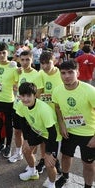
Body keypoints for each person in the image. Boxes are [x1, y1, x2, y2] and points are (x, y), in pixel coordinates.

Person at [52, 60, 95, 188]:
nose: (66, 76)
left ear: (78, 72)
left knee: (88, 164)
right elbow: (58, 108)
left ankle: (88, 186)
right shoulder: (57, 90)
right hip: (69, 132)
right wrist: (62, 125)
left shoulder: (90, 91)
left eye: (70, 72)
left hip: (88, 134)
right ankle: (65, 176)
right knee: (65, 156)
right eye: (63, 73)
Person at [17, 82, 60, 188]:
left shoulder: (44, 110)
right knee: (26, 150)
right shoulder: (21, 105)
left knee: (49, 163)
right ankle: (32, 172)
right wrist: (26, 140)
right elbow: (23, 122)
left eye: (28, 96)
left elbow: (52, 133)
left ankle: (52, 185)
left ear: (35, 95)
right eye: (23, 96)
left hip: (51, 135)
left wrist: (49, 153)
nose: (25, 99)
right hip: (37, 131)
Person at [9, 50, 42, 163]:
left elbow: (38, 95)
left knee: (32, 136)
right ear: (19, 60)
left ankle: (33, 160)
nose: (25, 62)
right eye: (22, 59)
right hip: (17, 108)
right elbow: (15, 86)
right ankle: (18, 153)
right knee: (17, 132)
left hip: (30, 111)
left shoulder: (37, 75)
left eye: (27, 59)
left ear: (32, 60)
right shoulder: (19, 72)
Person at [0, 43, 19, 158]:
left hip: (8, 101)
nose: (1, 55)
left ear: (8, 53)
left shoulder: (13, 66)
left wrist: (18, 69)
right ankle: (1, 143)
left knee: (8, 125)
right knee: (0, 124)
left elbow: (17, 84)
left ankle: (8, 146)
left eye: (4, 53)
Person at [37, 50, 63, 175]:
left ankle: (55, 161)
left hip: (59, 114)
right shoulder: (41, 74)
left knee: (56, 140)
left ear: (55, 61)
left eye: (48, 63)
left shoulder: (61, 74)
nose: (45, 66)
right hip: (45, 114)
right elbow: (38, 93)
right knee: (44, 139)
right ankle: (43, 159)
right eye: (42, 63)